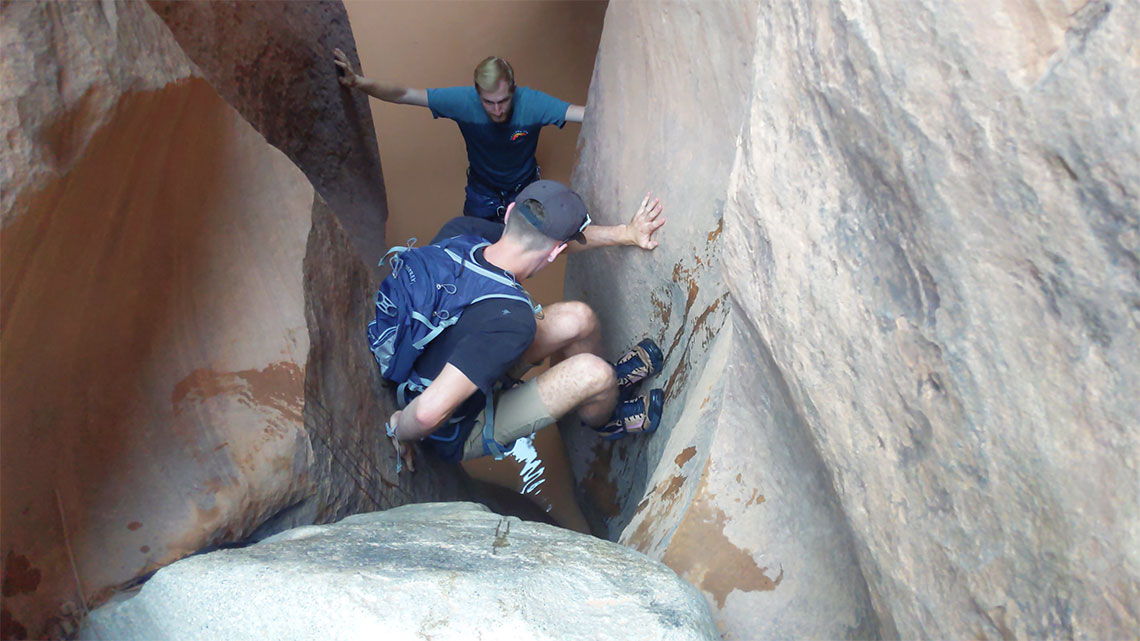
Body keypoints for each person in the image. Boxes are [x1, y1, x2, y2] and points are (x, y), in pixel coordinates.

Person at [379, 181, 666, 533]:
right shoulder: (512, 319)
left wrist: (627, 233)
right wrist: (399, 430)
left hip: (442, 352)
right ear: (554, 252)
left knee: (579, 319)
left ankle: (595, 396)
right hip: (457, 424)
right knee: (596, 375)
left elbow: (545, 243)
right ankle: (604, 419)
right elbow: (425, 413)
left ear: (512, 212)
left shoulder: (463, 232)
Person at [334, 49, 585, 221]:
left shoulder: (533, 104)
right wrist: (357, 82)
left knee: (531, 253)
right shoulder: (462, 101)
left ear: (514, 91)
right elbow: (405, 95)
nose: (497, 110)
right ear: (477, 94)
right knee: (473, 253)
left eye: (504, 101)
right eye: (489, 102)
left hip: (525, 190)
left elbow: (582, 113)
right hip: (482, 192)